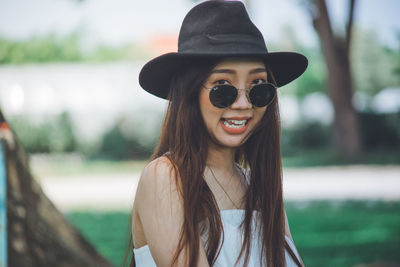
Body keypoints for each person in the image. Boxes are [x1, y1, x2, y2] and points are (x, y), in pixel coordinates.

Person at [130, 0, 308, 266]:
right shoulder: (165, 177)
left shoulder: (259, 185)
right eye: (222, 86)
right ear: (189, 93)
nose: (244, 104)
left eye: (258, 86)